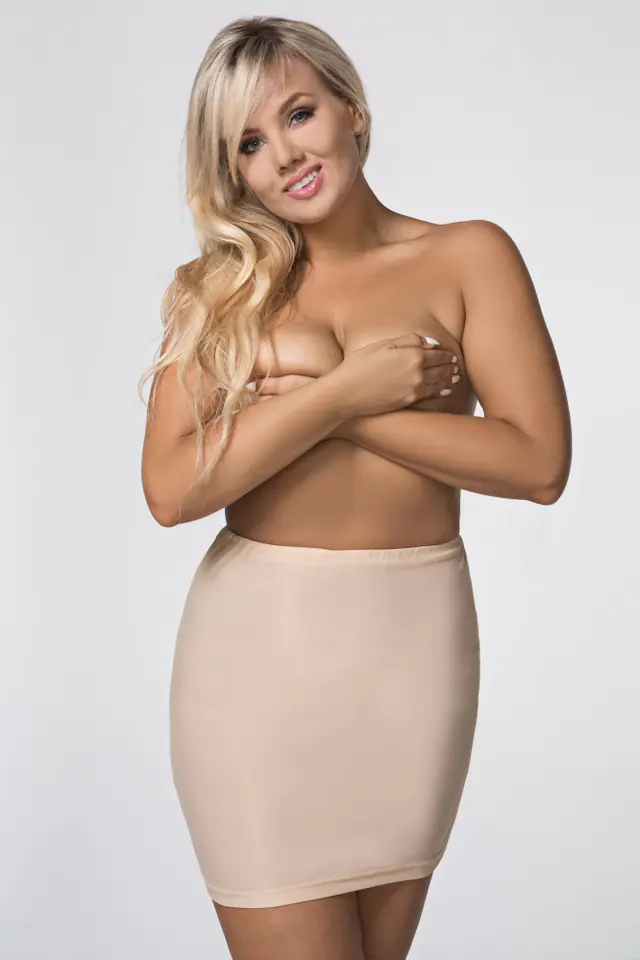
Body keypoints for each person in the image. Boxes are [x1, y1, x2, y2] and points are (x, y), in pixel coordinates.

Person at [139, 15, 572, 960]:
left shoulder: (469, 256)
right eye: (249, 144)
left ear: (353, 111)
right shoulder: (220, 290)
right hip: (257, 663)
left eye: (299, 114)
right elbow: (170, 490)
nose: (285, 156)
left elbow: (539, 463)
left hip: (415, 659)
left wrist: (342, 407)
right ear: (233, 173)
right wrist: (342, 393)